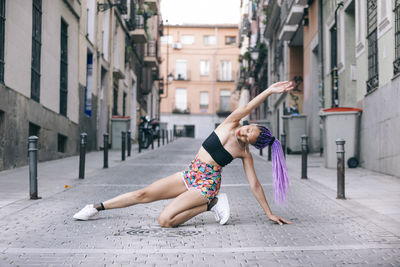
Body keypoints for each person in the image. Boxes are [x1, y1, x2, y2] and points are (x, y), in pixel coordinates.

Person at [73, 81, 295, 227]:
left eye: (248, 138)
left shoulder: (244, 153)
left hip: (206, 185)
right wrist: (268, 91)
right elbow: (247, 107)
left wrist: (268, 213)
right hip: (190, 174)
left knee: (165, 221)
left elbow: (255, 184)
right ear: (250, 124)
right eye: (248, 130)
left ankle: (210, 203)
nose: (244, 134)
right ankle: (95, 207)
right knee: (143, 194)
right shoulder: (231, 123)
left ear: (251, 145)